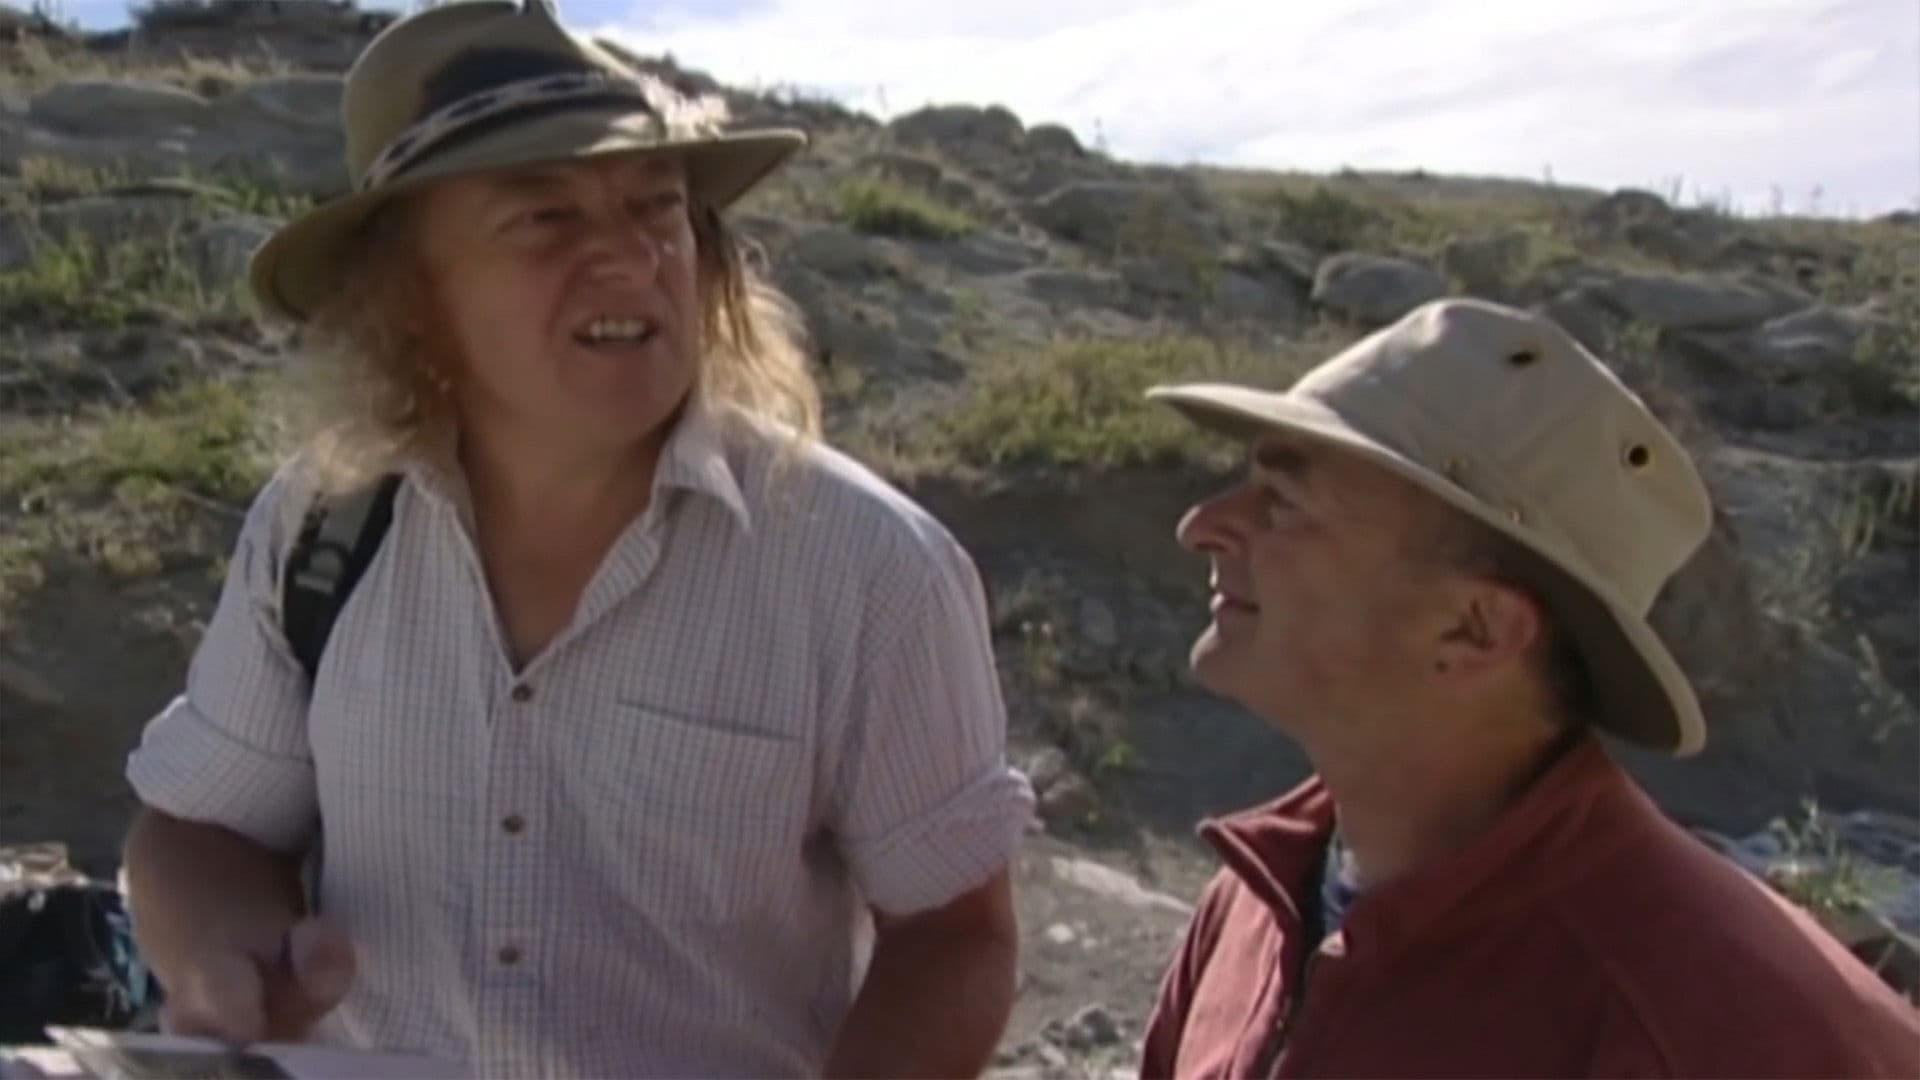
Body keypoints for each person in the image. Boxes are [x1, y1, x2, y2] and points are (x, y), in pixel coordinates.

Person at [116, 2, 1033, 1076]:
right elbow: (205, 831)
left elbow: (955, 935)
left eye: (657, 208)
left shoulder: (867, 567)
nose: (630, 258)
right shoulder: (322, 526)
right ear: (409, 296)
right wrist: (227, 959)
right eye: (544, 217)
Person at [1135, 297, 1920, 1078]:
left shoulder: (1718, 1031)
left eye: (1283, 502)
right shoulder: (1257, 901)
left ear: (1476, 628)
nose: (1201, 524)